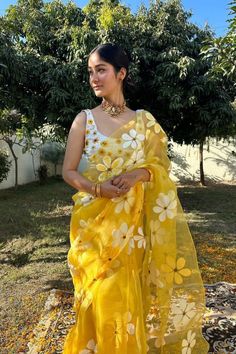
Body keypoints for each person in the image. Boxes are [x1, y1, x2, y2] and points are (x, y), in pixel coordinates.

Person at [62, 43, 209, 353]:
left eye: (101, 70)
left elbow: (160, 167)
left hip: (131, 229)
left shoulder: (143, 122)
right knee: (96, 296)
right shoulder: (84, 120)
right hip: (92, 228)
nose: (94, 78)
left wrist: (137, 175)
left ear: (121, 73)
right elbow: (69, 172)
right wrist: (99, 190)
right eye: (90, 72)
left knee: (127, 295)